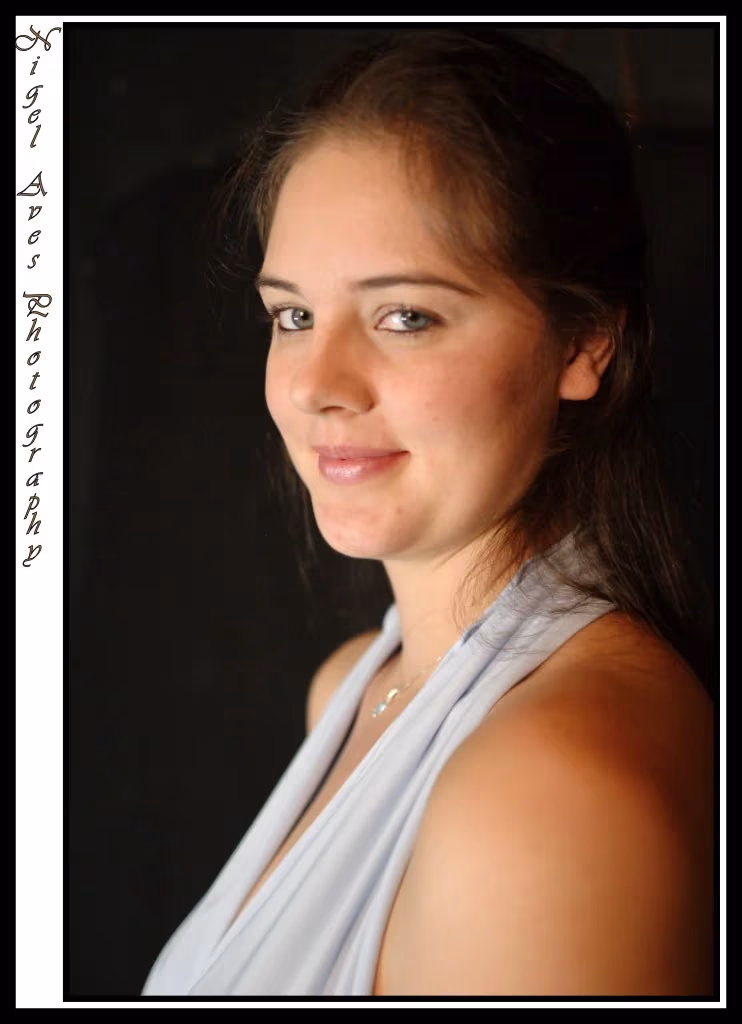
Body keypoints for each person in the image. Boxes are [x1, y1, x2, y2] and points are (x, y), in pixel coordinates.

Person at [141, 28, 715, 998]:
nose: (317, 385)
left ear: (584, 343)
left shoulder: (547, 792)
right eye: (292, 315)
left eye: (405, 315)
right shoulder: (355, 685)